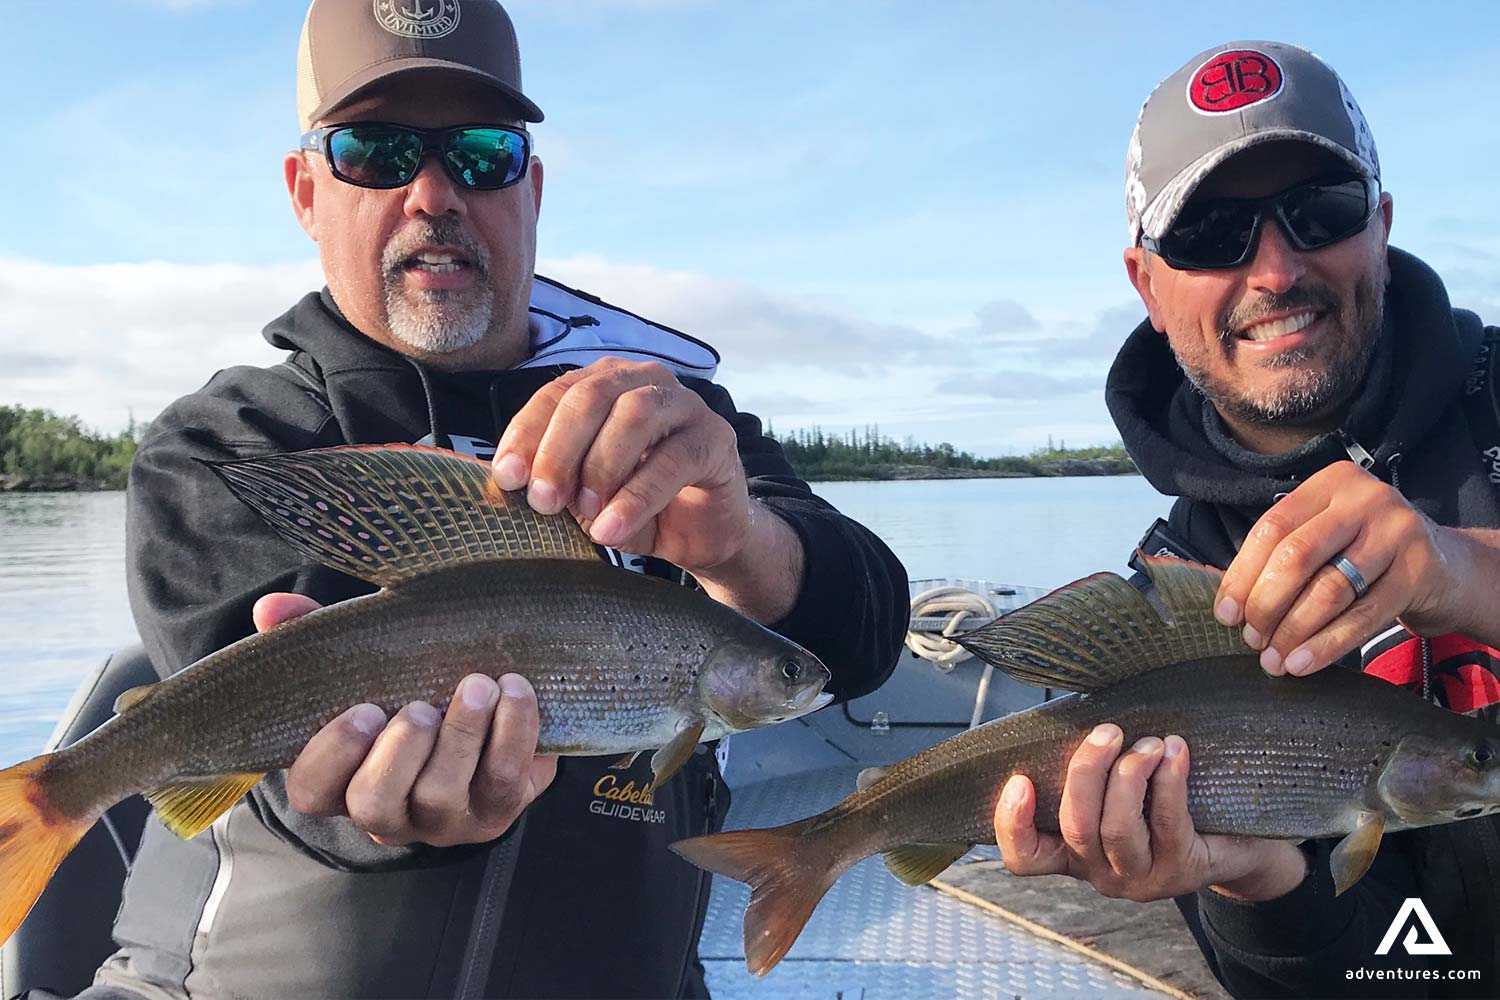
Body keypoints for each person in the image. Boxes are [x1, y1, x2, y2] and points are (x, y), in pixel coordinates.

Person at [69, 2, 908, 997]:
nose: (433, 193)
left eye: (481, 153)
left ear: (531, 188)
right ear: (305, 191)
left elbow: (865, 640)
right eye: (374, 151)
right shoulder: (225, 443)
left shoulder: (672, 421)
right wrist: (383, 813)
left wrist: (744, 543)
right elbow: (258, 760)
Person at [994, 41, 1500, 997]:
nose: (1274, 269)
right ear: (1146, 284)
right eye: (1211, 231)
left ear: (1381, 226)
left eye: (1322, 210)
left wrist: (1468, 572)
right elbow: (1375, 976)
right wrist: (1263, 883)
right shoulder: (1180, 584)